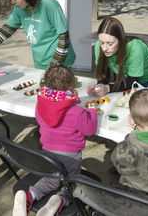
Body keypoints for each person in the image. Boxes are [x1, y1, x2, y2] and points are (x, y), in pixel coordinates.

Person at [12, 65, 98, 216]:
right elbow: (89, 129)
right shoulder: (76, 111)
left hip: (48, 155)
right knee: (73, 183)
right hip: (70, 155)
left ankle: (30, 194)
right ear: (71, 85)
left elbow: (40, 119)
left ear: (46, 84)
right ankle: (61, 199)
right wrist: (91, 111)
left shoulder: (40, 104)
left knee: (50, 180)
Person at [86, 17, 148, 97]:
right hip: (131, 74)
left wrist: (108, 88)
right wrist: (99, 87)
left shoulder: (135, 48)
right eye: (101, 42)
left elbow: (132, 83)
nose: (104, 48)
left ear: (120, 40)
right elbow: (103, 76)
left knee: (145, 104)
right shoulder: (98, 47)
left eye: (110, 44)